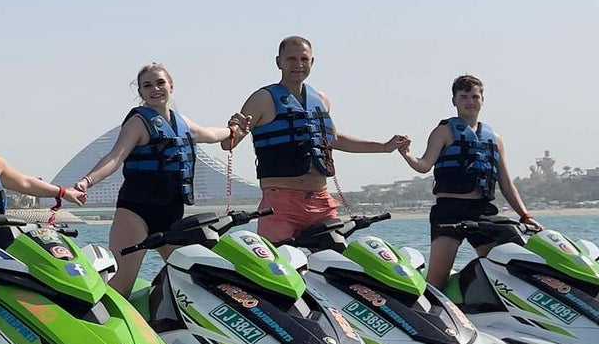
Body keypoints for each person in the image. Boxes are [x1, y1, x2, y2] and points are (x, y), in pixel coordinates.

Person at [70, 64, 246, 295]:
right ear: (141, 93)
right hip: (136, 213)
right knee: (121, 286)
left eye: (160, 83)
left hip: (171, 214)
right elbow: (115, 157)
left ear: (171, 86)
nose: (155, 89)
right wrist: (86, 181)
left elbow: (209, 134)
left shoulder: (181, 121)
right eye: (147, 85)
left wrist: (233, 130)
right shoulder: (138, 122)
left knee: (193, 280)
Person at [224, 37, 408, 244]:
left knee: (335, 263)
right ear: (279, 62)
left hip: (321, 202)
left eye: (304, 59)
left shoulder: (320, 99)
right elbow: (229, 141)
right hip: (280, 204)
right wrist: (234, 131)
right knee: (280, 267)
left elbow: (335, 140)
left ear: (312, 62)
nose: (298, 64)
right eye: (291, 59)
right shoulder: (262, 99)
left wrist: (384, 147)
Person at [398, 74, 539, 289]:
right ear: (454, 101)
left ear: (482, 99)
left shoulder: (494, 138)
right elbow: (424, 165)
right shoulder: (443, 132)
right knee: (437, 279)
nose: (469, 101)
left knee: (506, 269)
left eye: (474, 96)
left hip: (483, 212)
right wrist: (407, 154)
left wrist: (525, 215)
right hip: (449, 212)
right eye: (463, 97)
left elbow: (506, 183)